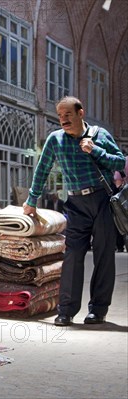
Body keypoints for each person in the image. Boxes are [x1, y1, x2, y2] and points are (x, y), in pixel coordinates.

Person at [22, 96, 125, 326]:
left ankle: (98, 310)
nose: (63, 120)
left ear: (80, 113)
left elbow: (119, 162)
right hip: (76, 204)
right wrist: (32, 200)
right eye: (60, 116)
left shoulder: (100, 135)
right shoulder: (55, 139)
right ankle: (66, 310)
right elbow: (42, 170)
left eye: (67, 114)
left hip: (102, 201)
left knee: (104, 256)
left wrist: (95, 151)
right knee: (72, 256)